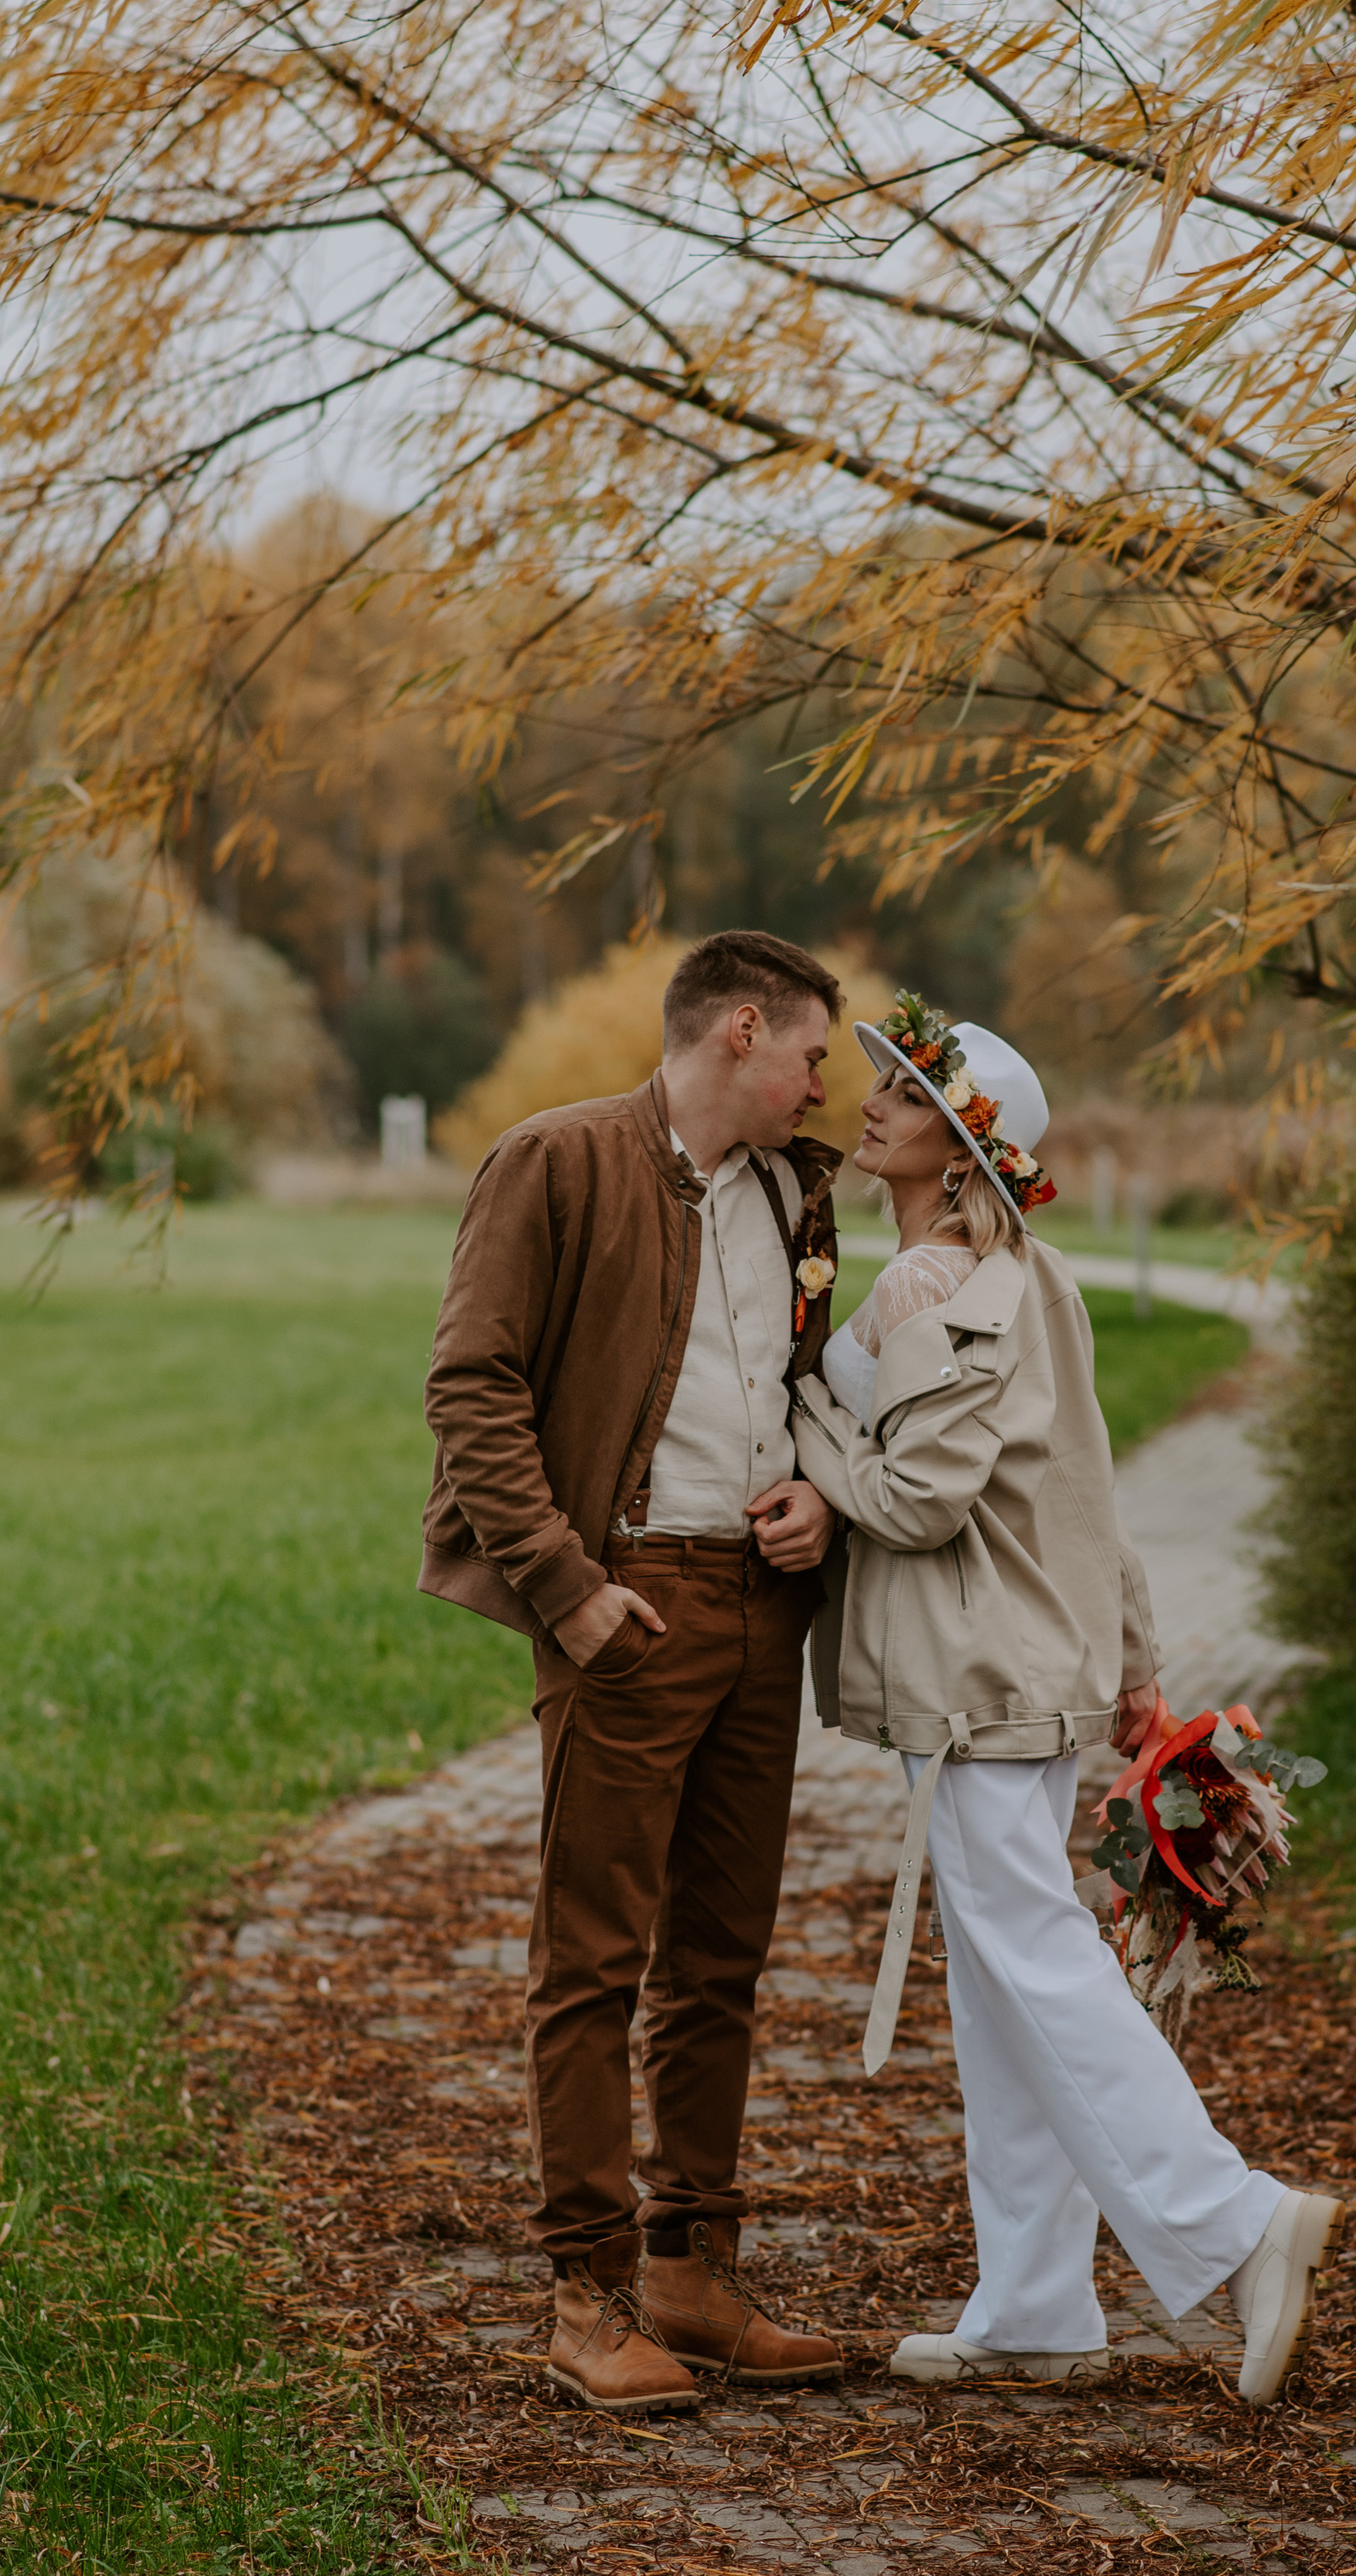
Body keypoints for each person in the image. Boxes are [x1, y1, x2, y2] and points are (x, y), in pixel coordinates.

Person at [778, 992, 1345, 2404]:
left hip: (984, 1676)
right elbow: (1095, 1491)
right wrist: (1139, 1663)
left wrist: (803, 1426)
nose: (874, 1105)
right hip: (1031, 1667)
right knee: (1000, 1982)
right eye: (885, 1083)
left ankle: (1236, 2219)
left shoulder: (939, 1283)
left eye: (907, 1095)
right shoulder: (1038, 1279)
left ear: (967, 1152)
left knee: (1030, 1955)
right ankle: (1034, 2298)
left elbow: (917, 1498)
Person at [419, 928, 849, 2412]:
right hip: (625, 1602)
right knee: (593, 1959)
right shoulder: (555, 1160)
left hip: (758, 1602)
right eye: (809, 1056)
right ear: (742, 1028)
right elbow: (470, 1384)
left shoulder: (801, 1193)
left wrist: (815, 1493)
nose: (821, 1086)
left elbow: (793, 1384)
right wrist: (567, 1588)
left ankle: (693, 2273)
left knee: (721, 1958)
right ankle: (587, 2295)